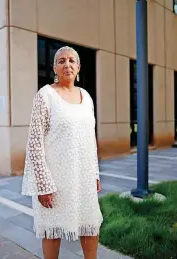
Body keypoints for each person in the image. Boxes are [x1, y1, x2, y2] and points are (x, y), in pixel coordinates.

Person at [21, 46, 103, 259]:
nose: (67, 64)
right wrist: (43, 184)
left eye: (72, 61)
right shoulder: (45, 95)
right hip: (55, 178)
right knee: (52, 228)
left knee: (90, 224)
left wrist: (94, 173)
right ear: (54, 68)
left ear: (78, 67)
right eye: (61, 61)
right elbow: (34, 143)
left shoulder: (86, 96)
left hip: (83, 175)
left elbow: (90, 139)